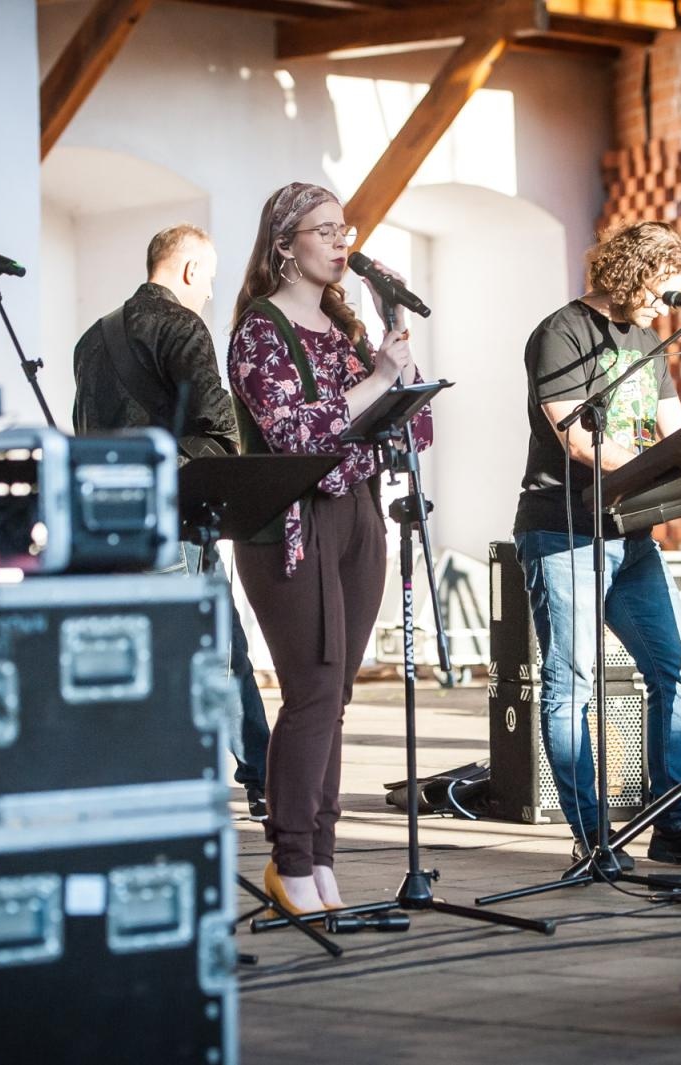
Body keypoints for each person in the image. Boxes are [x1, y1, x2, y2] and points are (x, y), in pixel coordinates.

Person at [514, 220, 681, 876]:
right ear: (628, 273)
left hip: (630, 533)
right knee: (573, 682)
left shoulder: (650, 338)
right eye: (661, 290)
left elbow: (674, 431)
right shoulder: (560, 332)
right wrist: (658, 471)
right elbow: (579, 439)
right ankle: (593, 839)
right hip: (563, 530)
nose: (666, 305)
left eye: (676, 294)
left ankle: (674, 825)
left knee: (677, 670)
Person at [228, 182, 433, 914]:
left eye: (344, 229)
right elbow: (293, 432)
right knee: (312, 687)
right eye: (323, 230)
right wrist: (377, 380)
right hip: (291, 521)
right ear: (284, 245)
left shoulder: (345, 327)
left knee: (336, 694)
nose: (341, 242)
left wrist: (403, 380)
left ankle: (320, 852)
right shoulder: (260, 330)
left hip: (358, 514)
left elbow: (408, 433)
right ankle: (289, 856)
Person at [72, 223, 272, 818]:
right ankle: (255, 778)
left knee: (132, 654)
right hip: (176, 524)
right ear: (188, 270)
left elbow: (85, 433)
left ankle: (130, 781)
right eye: (208, 279)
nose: (209, 292)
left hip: (108, 525)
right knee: (212, 651)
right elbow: (220, 431)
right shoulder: (183, 325)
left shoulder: (90, 339)